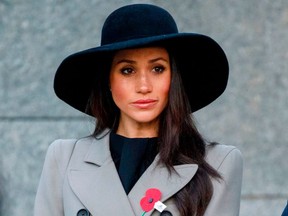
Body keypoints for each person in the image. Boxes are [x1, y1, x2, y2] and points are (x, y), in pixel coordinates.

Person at [34, 3, 243, 216]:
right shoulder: (64, 158)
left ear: (174, 78)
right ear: (108, 81)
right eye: (127, 70)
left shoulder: (218, 163)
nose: (144, 86)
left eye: (157, 69)